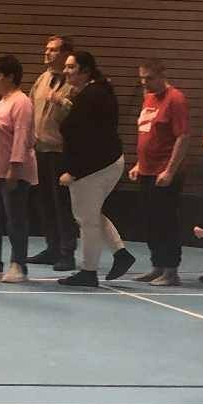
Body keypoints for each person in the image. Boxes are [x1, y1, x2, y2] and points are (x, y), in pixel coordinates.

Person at [56, 50, 136, 288]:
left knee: (86, 219)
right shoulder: (96, 92)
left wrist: (74, 171)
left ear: (85, 71)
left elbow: (87, 138)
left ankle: (89, 271)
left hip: (96, 166)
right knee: (91, 213)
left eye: (71, 67)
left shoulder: (92, 95)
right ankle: (121, 254)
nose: (66, 71)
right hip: (105, 162)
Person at [129, 58, 191, 285]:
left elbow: (183, 137)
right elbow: (147, 132)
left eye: (149, 78)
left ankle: (171, 269)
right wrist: (139, 163)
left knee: (166, 222)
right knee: (151, 222)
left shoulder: (176, 99)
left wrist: (170, 170)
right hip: (146, 170)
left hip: (164, 173)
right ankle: (157, 265)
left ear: (162, 75)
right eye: (142, 78)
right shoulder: (148, 97)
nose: (145, 83)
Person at [0, 53, 36, 284]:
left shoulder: (21, 102)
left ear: (11, 77)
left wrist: (15, 167)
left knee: (15, 220)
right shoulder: (2, 102)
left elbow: (22, 136)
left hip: (12, 172)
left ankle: (18, 265)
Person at [29, 35, 78, 270]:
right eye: (46, 49)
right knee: (45, 202)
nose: (47, 53)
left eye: (53, 50)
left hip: (61, 151)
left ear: (66, 54)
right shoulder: (42, 79)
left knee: (63, 204)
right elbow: (30, 106)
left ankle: (67, 253)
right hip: (40, 148)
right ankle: (52, 248)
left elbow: (81, 114)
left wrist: (60, 101)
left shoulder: (74, 83)